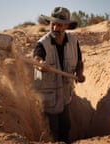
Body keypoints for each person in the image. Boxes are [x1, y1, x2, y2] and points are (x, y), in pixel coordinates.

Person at [33, 7, 85, 144]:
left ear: (67, 26)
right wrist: (40, 65)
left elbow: (79, 62)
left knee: (66, 126)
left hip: (65, 94)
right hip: (47, 96)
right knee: (53, 131)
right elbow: (37, 60)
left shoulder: (74, 41)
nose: (55, 27)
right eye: (53, 24)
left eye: (59, 24)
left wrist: (80, 73)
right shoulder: (42, 44)